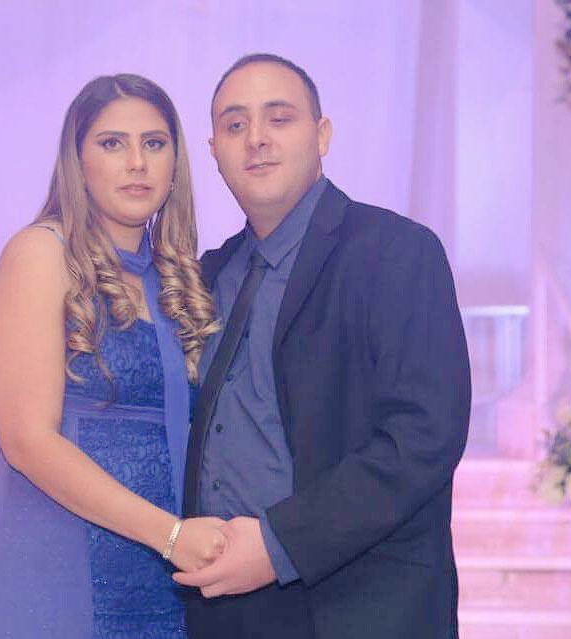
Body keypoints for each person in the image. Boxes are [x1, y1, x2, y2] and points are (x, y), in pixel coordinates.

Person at [175, 54, 471, 639]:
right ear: (214, 151)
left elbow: (425, 434)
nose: (256, 139)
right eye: (235, 125)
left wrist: (279, 544)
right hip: (220, 607)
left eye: (279, 118)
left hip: (358, 606)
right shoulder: (207, 276)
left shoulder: (396, 251)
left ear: (322, 134)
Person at [0, 74, 225, 639]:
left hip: (165, 574)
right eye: (111, 143)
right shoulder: (40, 253)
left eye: (154, 143)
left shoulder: (178, 277)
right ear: (77, 162)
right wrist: (170, 535)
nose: (137, 163)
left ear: (176, 163)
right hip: (59, 561)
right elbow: (27, 441)